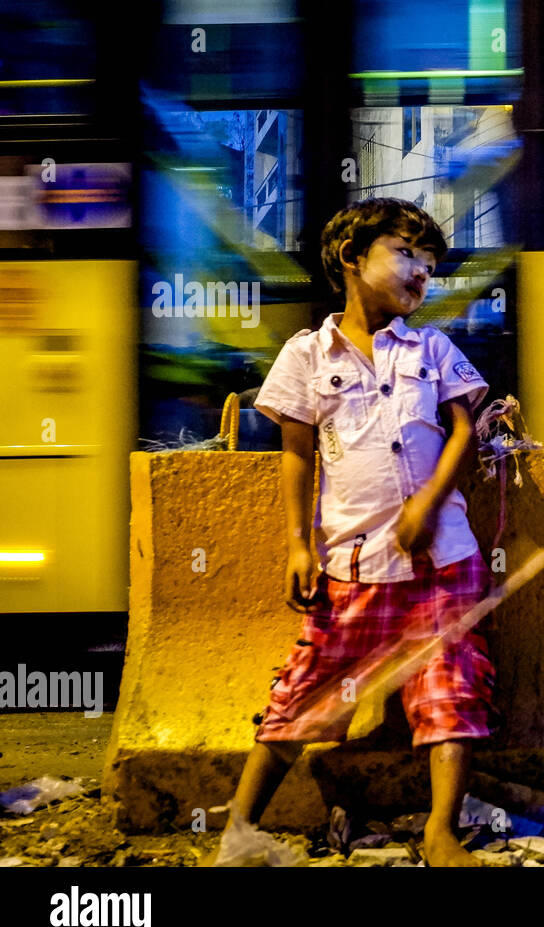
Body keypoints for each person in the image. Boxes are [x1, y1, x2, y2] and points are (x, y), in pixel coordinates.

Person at [210, 197, 494, 867]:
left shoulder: (433, 348)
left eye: (430, 264)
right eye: (405, 254)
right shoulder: (307, 355)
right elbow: (297, 454)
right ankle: (237, 831)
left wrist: (428, 503)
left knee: (450, 688)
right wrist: (298, 544)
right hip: (352, 563)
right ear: (351, 259)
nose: (421, 272)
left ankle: (440, 832)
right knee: (304, 693)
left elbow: (463, 432)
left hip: (444, 563)